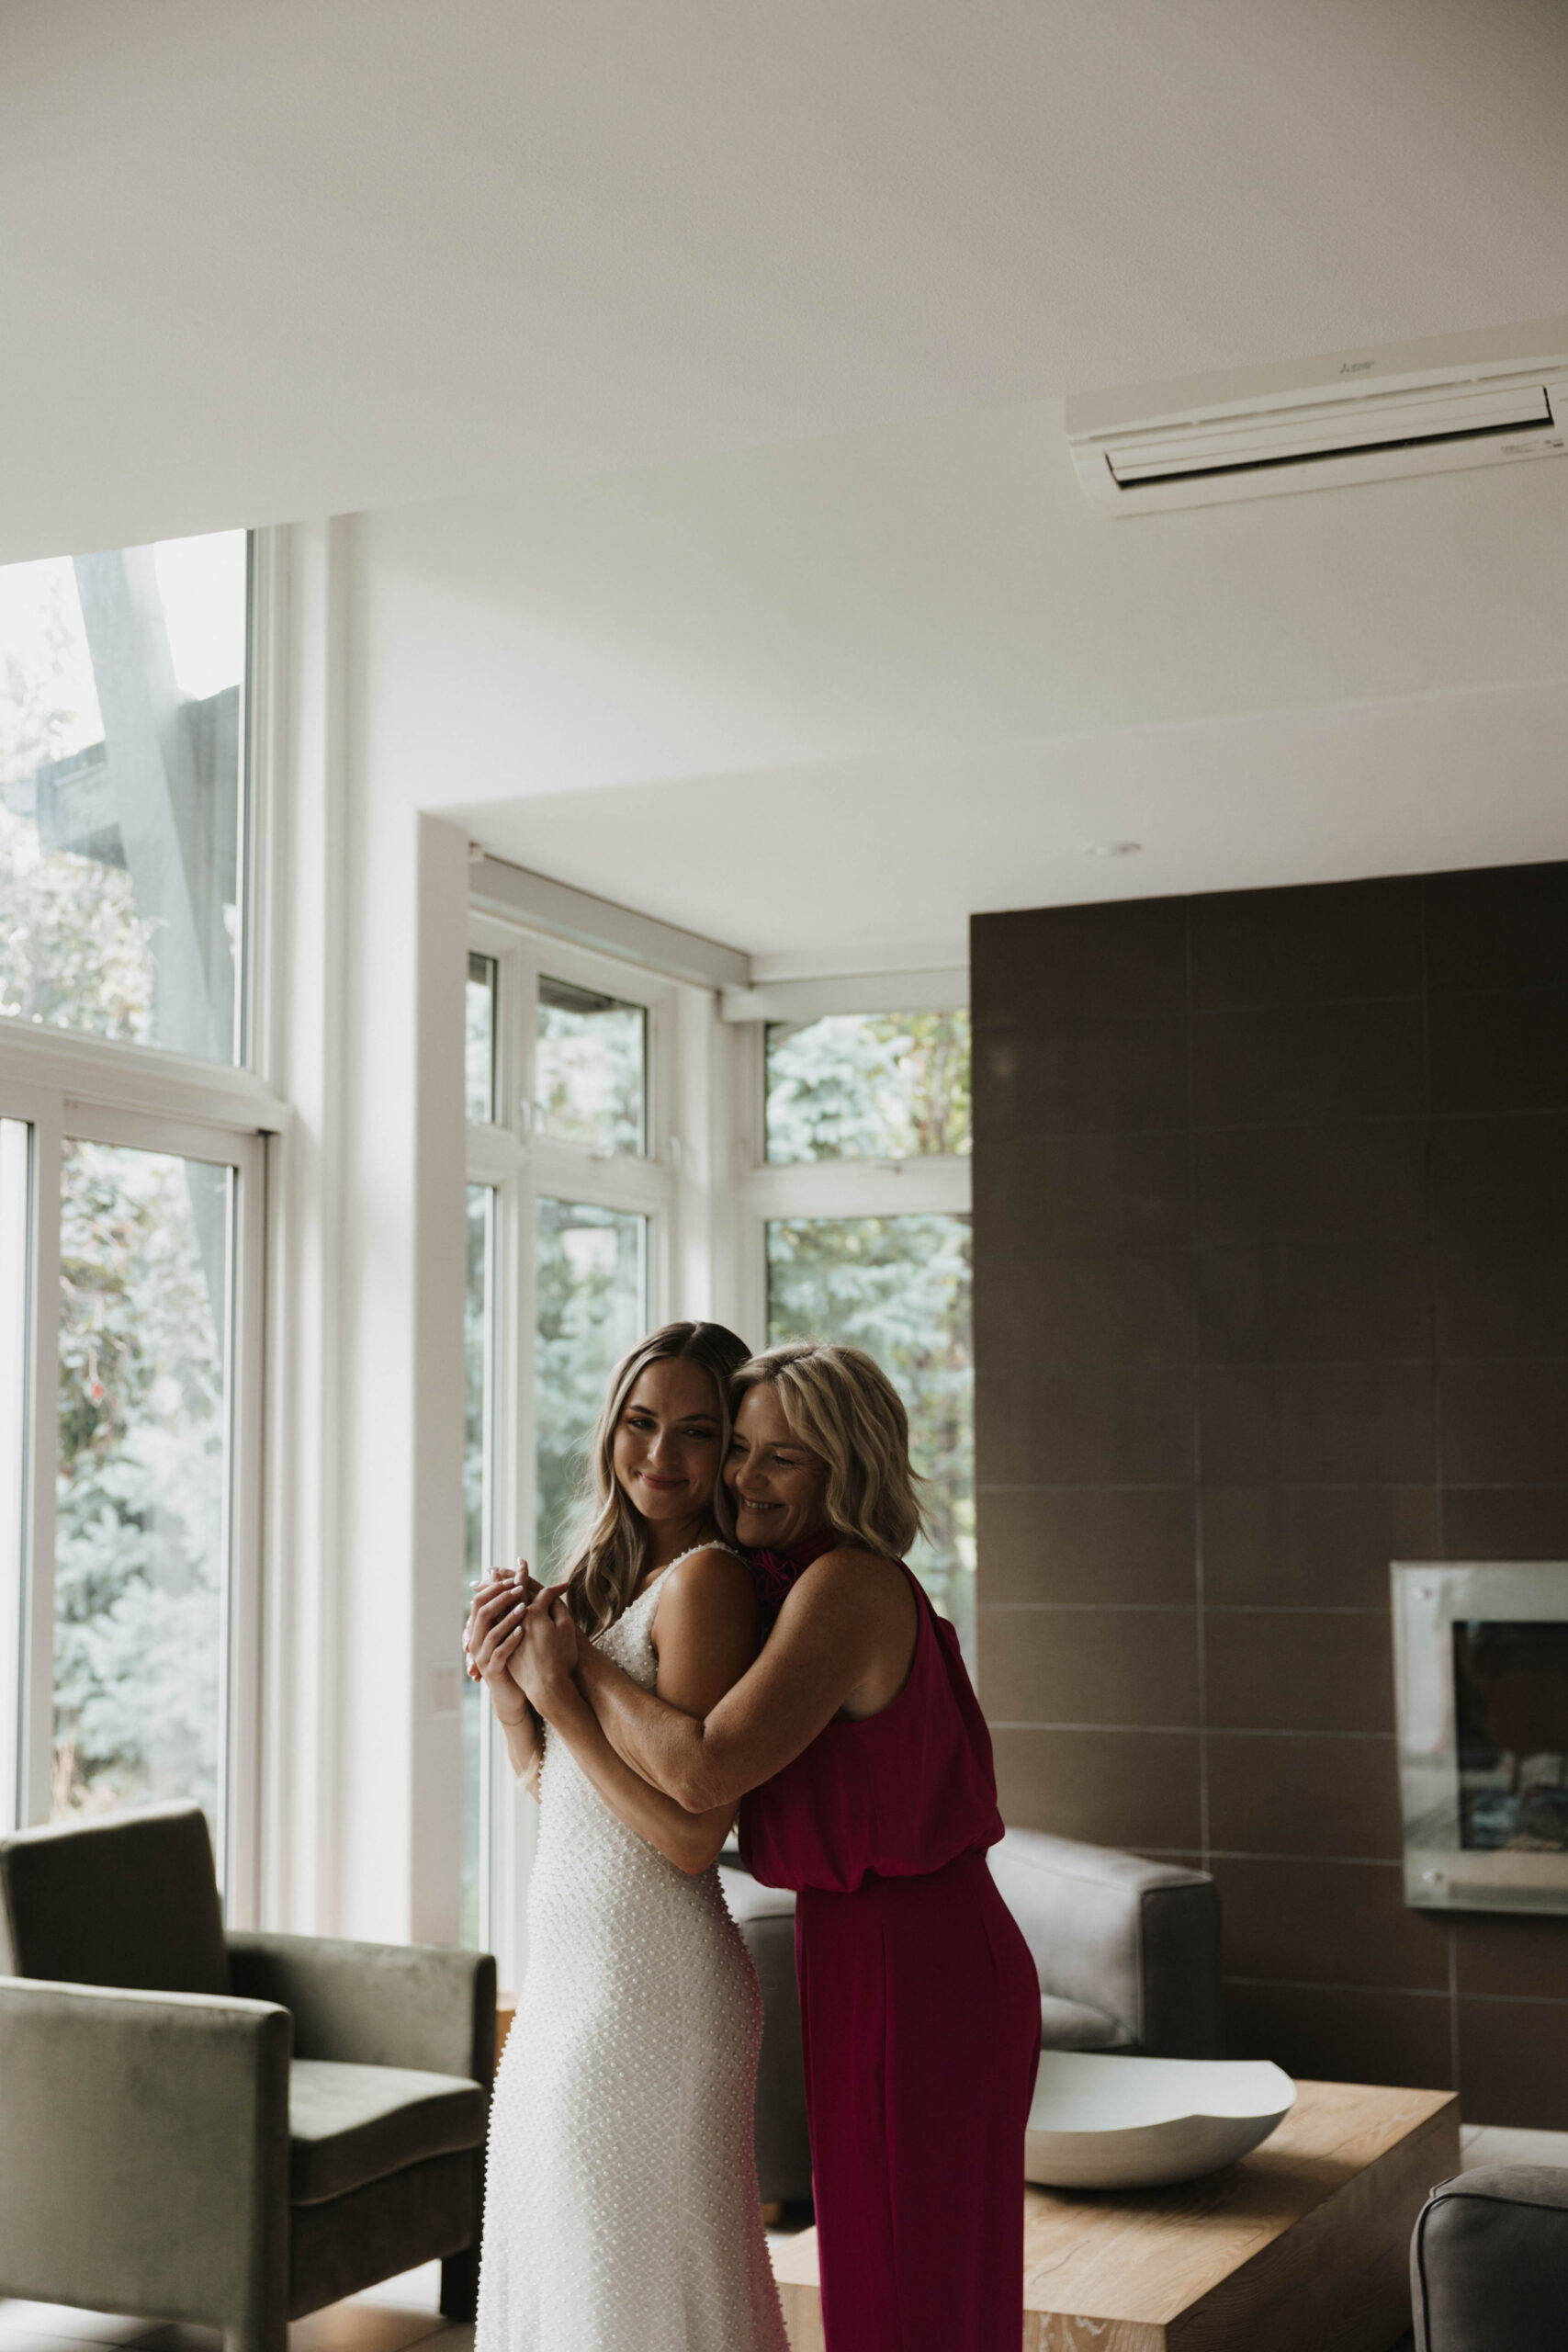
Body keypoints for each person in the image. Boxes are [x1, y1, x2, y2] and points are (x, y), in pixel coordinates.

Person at [517, 1339, 1042, 2352]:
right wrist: (529, 1695)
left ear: (844, 1467)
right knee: (889, 2281)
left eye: (782, 1457)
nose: (745, 1476)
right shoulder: (792, 1582)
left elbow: (706, 1771)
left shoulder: (846, 1586)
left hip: (919, 1960)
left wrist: (575, 1660)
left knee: (910, 2289)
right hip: (861, 1949)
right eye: (743, 1447)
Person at [465, 1319, 788, 2352]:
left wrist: (561, 1697)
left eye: (698, 1432)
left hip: (649, 1997)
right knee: (574, 2287)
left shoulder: (707, 1582)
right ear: (611, 1427)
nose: (662, 1455)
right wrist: (509, 1693)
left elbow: (692, 1841)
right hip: (571, 1984)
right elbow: (556, 1792)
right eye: (642, 1423)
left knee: (621, 2304)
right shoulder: (601, 1578)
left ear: (731, 1447)